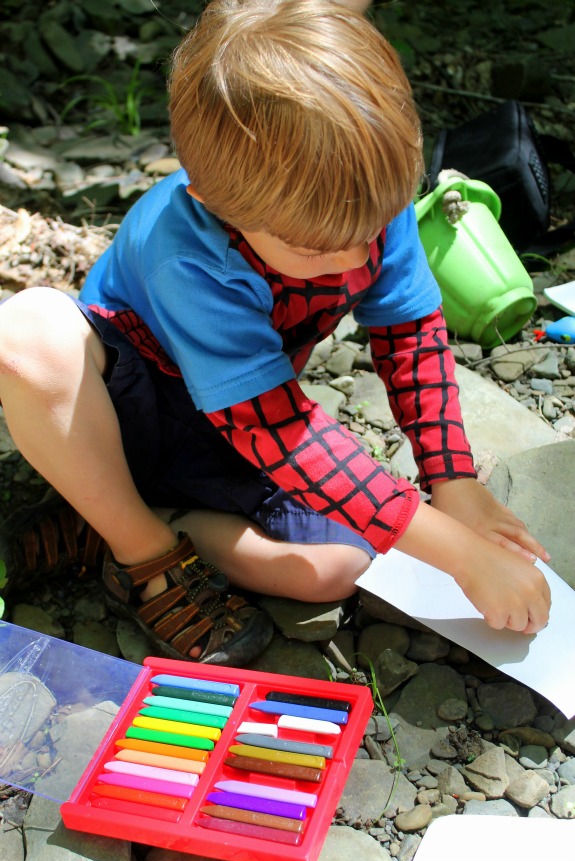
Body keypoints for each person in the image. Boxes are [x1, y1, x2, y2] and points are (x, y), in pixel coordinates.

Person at [0, 0, 551, 667]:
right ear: (215, 204)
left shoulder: (364, 197)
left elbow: (408, 335)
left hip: (236, 440)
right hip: (129, 417)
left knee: (337, 569)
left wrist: (453, 481)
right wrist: (457, 551)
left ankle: (132, 527)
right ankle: (141, 552)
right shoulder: (187, 249)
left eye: (368, 232)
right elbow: (282, 432)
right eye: (316, 249)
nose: (353, 261)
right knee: (26, 334)